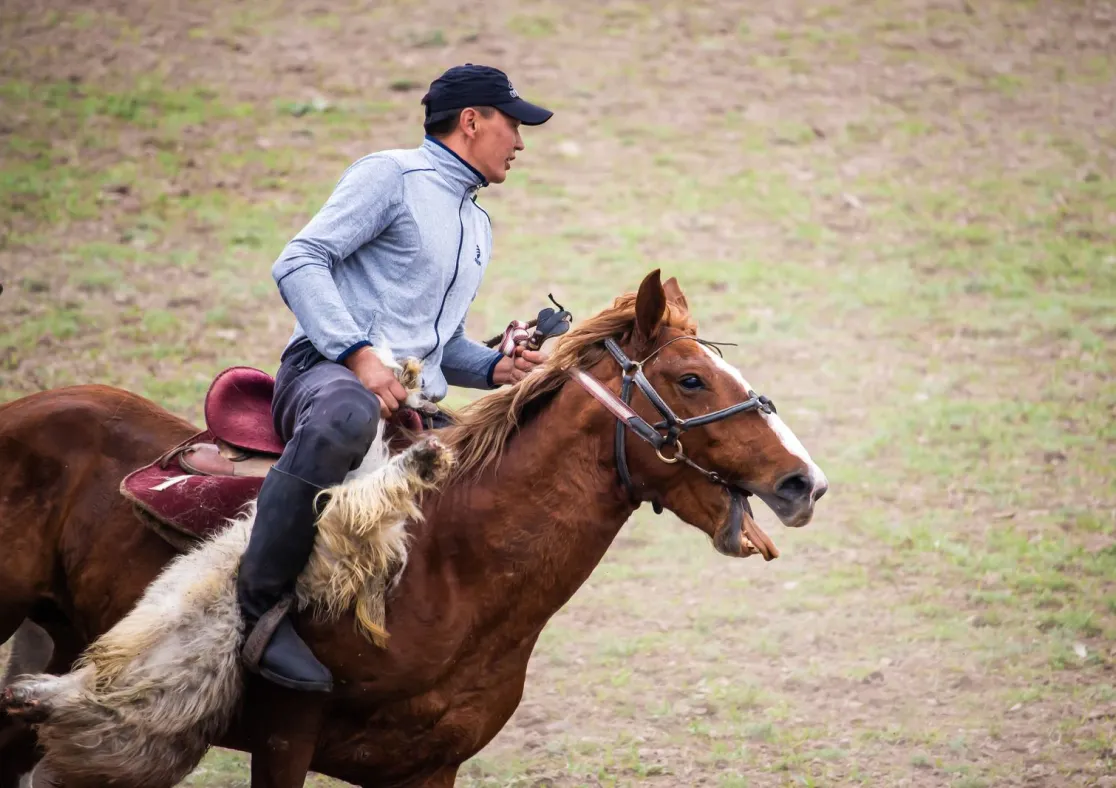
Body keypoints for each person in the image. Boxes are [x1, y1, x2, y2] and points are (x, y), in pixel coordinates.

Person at [236, 64, 553, 692]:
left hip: (409, 399)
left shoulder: (477, 223)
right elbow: (299, 260)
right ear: (472, 121)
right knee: (349, 412)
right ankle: (258, 613)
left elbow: (438, 346)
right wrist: (358, 355)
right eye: (512, 124)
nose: (520, 142)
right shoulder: (390, 175)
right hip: (324, 375)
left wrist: (494, 367)